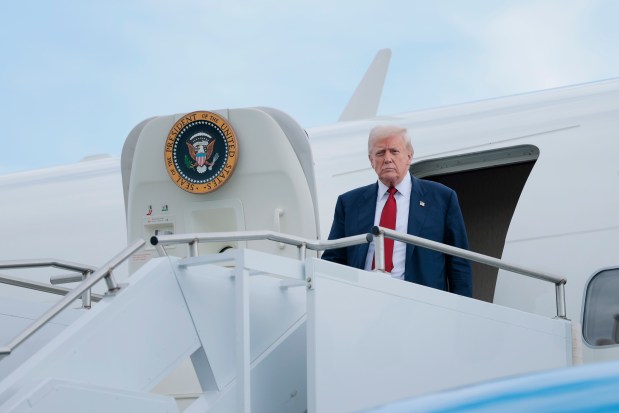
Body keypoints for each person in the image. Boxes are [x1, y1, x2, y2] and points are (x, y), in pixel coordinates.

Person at [321, 125, 472, 297]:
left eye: (394, 151)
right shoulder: (349, 203)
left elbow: (459, 264)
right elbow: (333, 260)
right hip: (363, 301)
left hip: (421, 305)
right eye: (380, 153)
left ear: (409, 156)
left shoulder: (442, 198)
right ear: (371, 160)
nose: (387, 159)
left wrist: (460, 314)